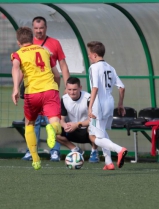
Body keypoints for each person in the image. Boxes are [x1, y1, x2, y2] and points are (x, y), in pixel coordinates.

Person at [11, 26, 62, 170]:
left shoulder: (18, 53)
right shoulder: (44, 51)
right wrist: (55, 90)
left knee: (29, 125)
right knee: (55, 122)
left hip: (32, 93)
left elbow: (15, 67)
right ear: (32, 39)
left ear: (18, 42)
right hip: (50, 89)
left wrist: (15, 88)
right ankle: (52, 128)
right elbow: (57, 75)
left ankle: (35, 159)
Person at [21, 16, 70, 162]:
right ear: (32, 29)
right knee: (32, 121)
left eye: (41, 28)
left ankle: (54, 151)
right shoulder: (27, 43)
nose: (38, 31)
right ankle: (31, 150)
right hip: (33, 88)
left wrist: (67, 85)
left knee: (51, 120)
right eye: (35, 28)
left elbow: (63, 65)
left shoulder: (54, 43)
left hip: (48, 86)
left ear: (46, 28)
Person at [87, 41, 127, 170]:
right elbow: (121, 87)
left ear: (94, 55)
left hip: (99, 104)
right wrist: (120, 104)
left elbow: (95, 88)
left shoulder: (94, 67)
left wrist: (89, 107)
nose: (88, 56)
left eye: (89, 54)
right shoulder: (111, 67)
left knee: (93, 137)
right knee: (101, 132)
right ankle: (108, 162)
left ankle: (119, 149)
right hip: (110, 103)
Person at [56, 77, 99, 163]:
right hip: (72, 130)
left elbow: (93, 119)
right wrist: (65, 125)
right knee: (55, 131)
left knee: (94, 127)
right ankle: (75, 150)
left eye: (75, 89)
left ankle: (94, 152)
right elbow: (61, 119)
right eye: (69, 89)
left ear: (80, 88)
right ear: (66, 89)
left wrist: (77, 125)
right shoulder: (64, 99)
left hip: (86, 131)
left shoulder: (88, 98)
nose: (72, 92)